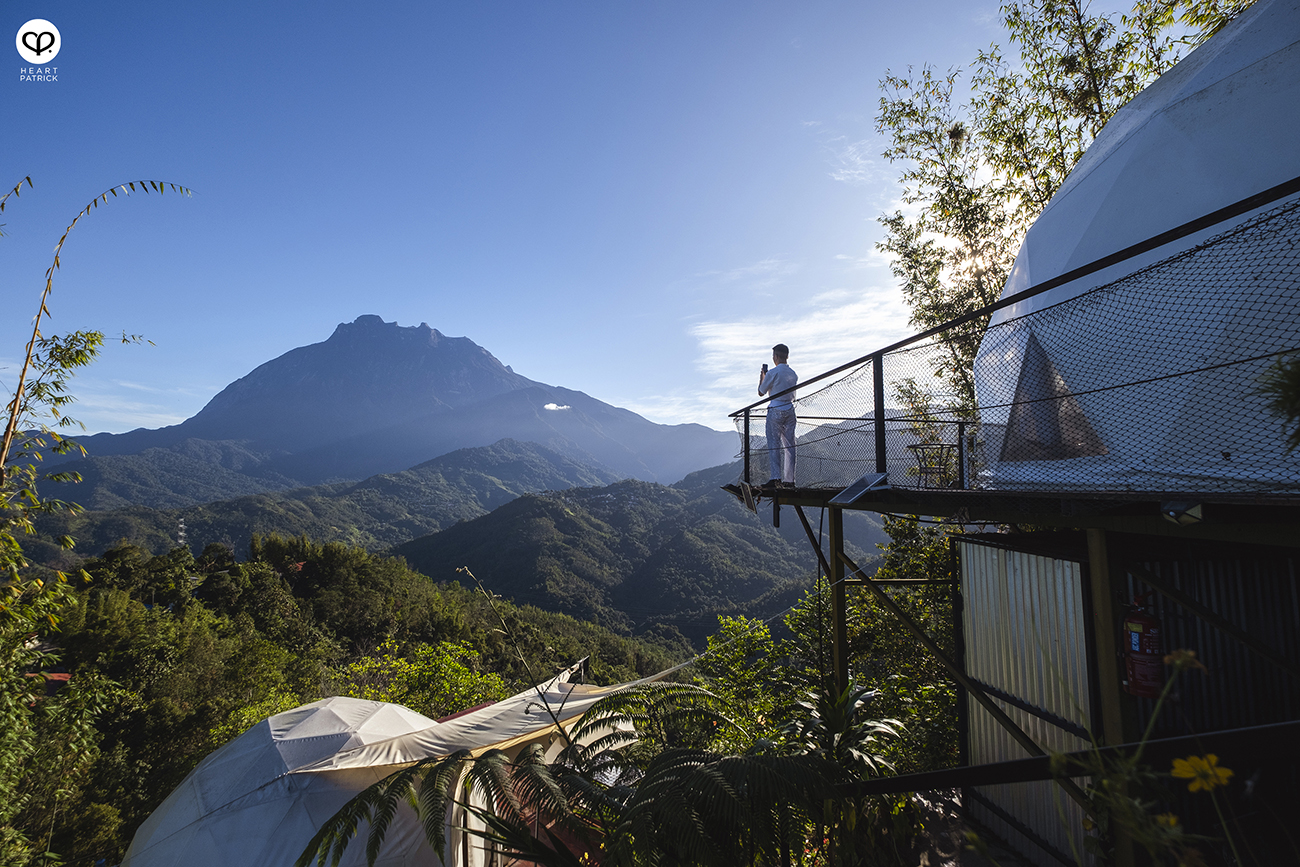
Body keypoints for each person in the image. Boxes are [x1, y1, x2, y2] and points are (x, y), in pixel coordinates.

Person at [757, 343, 797, 489]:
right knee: (790, 445)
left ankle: (775, 478)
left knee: (774, 444)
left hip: (776, 409)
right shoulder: (793, 373)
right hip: (790, 409)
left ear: (776, 356)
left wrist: (762, 375)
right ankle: (789, 480)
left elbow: (761, 391)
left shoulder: (773, 373)